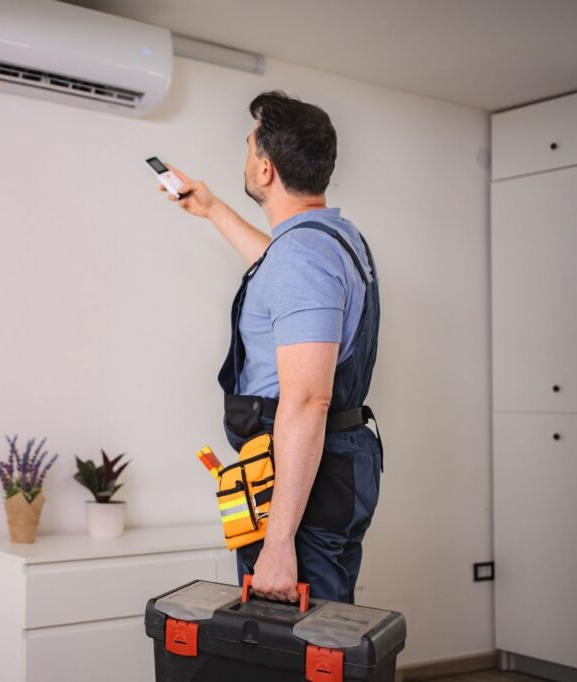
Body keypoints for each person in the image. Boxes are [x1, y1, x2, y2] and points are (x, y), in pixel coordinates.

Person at [159, 90, 382, 605]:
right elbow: (280, 273)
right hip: (328, 469)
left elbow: (307, 400)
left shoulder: (300, 260)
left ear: (264, 170)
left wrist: (280, 542)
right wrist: (212, 209)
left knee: (303, 645)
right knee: (320, 637)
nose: (246, 159)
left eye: (248, 149)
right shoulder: (329, 241)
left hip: (301, 481)